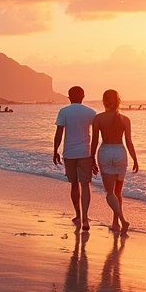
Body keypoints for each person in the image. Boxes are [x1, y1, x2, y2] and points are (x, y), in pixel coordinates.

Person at [91, 89, 139, 234]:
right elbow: (129, 142)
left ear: (104, 101)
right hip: (120, 152)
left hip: (105, 152)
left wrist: (91, 158)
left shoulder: (98, 118)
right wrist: (135, 159)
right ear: (118, 101)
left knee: (110, 193)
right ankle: (115, 223)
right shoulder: (125, 119)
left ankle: (122, 221)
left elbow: (94, 141)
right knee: (118, 192)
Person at [54, 86, 97, 231]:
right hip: (85, 153)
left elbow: (59, 134)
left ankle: (78, 215)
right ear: (83, 96)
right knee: (85, 185)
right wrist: (94, 156)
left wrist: (55, 151)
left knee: (74, 184)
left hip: (69, 153)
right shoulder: (91, 112)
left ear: (69, 97)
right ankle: (85, 218)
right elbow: (96, 135)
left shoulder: (64, 111)